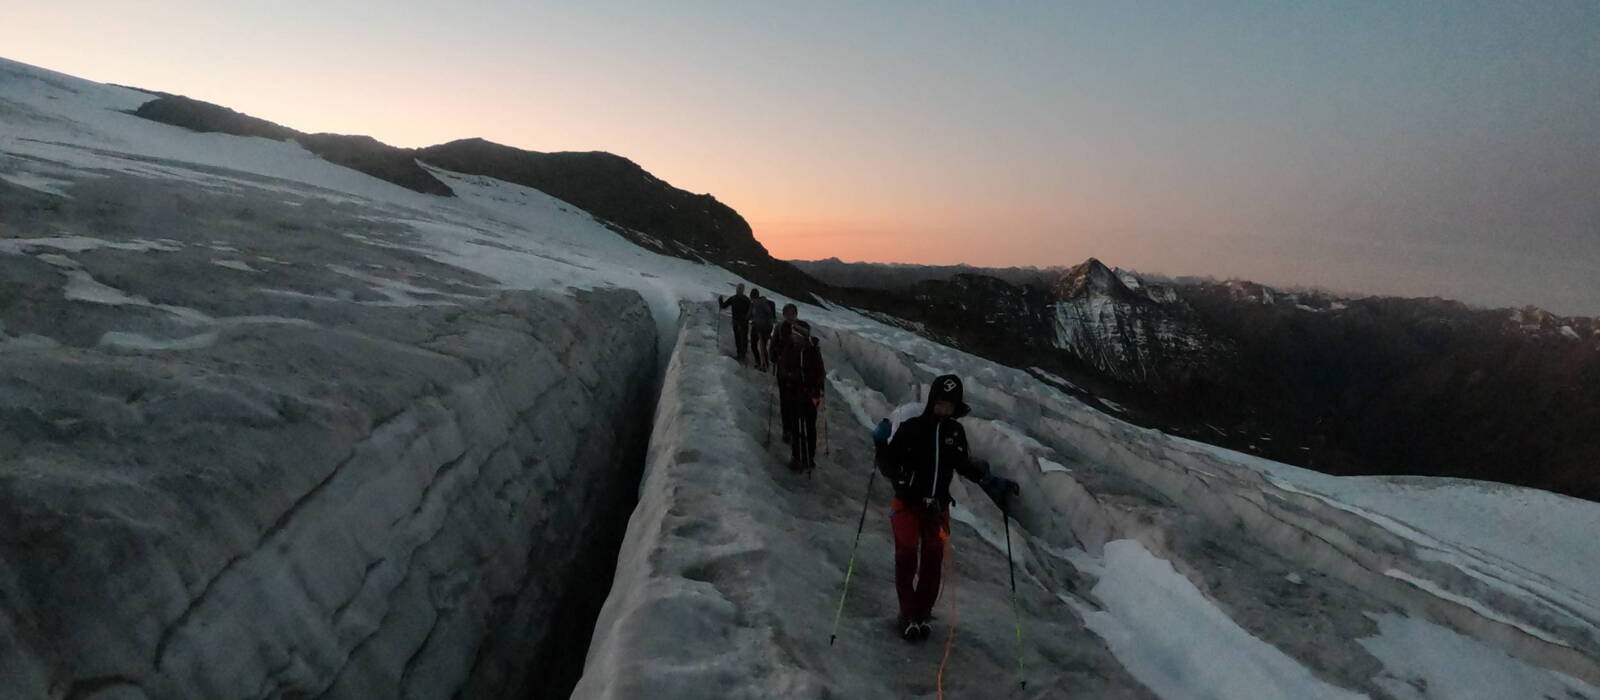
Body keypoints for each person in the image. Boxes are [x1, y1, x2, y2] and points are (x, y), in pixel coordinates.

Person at [872, 374, 1020, 642]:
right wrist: (887, 456)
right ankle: (907, 615)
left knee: (932, 561)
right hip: (907, 502)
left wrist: (989, 480)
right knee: (906, 557)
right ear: (932, 401)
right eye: (940, 404)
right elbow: (888, 461)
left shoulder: (955, 433)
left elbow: (962, 464)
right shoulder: (913, 427)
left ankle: (921, 614)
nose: (944, 410)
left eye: (949, 406)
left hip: (937, 507)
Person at [772, 310, 825, 471]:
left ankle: (801, 458)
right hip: (806, 395)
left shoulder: (805, 350)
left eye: (795, 334)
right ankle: (804, 457)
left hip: (803, 394)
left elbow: (816, 373)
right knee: (804, 427)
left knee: (804, 426)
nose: (793, 336)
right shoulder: (806, 349)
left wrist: (790, 377)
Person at [718, 283, 751, 363]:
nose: (739, 290)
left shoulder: (743, 299)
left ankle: (742, 355)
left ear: (743, 290)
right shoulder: (736, 299)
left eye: (740, 288)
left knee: (742, 338)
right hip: (738, 322)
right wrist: (720, 301)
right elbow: (723, 305)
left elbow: (750, 311)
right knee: (739, 338)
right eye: (738, 288)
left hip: (742, 322)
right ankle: (741, 354)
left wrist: (747, 318)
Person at [749, 289, 776, 371]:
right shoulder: (754, 304)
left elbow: (769, 315)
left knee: (762, 346)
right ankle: (760, 363)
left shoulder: (762, 303)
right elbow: (751, 314)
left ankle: (764, 365)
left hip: (764, 328)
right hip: (758, 326)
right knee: (757, 345)